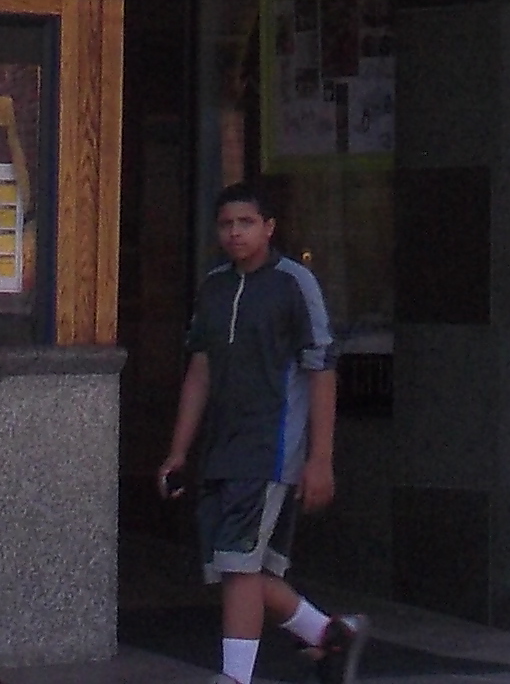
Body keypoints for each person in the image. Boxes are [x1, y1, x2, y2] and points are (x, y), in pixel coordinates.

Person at [158, 182, 368, 684]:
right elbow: (200, 371)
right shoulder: (213, 286)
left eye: (246, 222)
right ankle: (330, 635)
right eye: (226, 224)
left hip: (273, 448)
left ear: (269, 227)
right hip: (221, 449)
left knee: (238, 563)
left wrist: (320, 458)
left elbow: (321, 370)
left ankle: (235, 678)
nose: (235, 233)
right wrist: (178, 451)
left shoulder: (295, 283)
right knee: (242, 568)